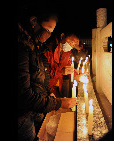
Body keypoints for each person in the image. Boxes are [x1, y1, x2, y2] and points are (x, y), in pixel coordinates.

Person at [18, 13, 77, 141]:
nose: (48, 34)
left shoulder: (36, 47)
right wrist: (58, 102)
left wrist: (49, 92)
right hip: (23, 113)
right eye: (47, 30)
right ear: (34, 21)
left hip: (38, 105)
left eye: (51, 31)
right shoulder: (24, 48)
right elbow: (25, 95)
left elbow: (42, 78)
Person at [44, 33, 80, 98]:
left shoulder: (66, 52)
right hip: (46, 88)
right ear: (62, 36)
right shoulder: (48, 48)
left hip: (57, 86)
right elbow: (43, 72)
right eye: (71, 42)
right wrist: (61, 72)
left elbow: (69, 66)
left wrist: (78, 76)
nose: (71, 46)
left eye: (74, 45)